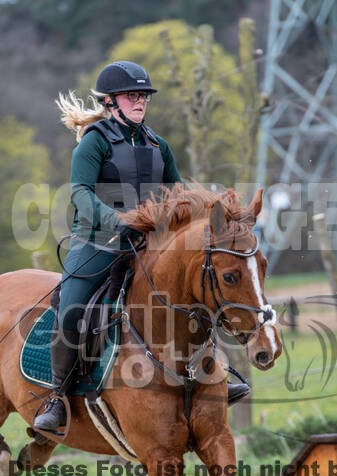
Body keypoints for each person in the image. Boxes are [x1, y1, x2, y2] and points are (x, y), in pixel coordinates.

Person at [34, 61, 248, 435]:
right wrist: (117, 222)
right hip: (97, 240)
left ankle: (213, 371)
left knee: (199, 291)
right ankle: (58, 397)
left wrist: (211, 217)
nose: (140, 102)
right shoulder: (94, 141)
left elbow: (179, 194)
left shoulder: (156, 144)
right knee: (70, 306)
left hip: (148, 243)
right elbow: (80, 192)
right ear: (111, 102)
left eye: (143, 96)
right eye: (132, 95)